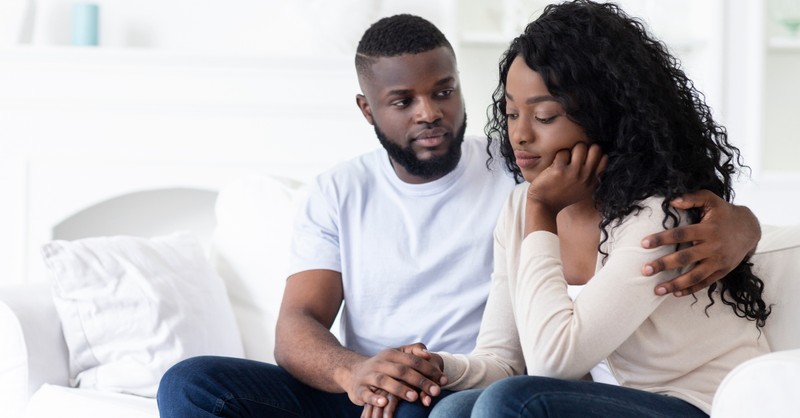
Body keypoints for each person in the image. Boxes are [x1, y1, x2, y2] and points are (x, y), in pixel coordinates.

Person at [157, 12, 763, 418]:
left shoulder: (520, 176)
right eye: (403, 101)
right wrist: (372, 370)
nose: (429, 113)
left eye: (444, 91)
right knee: (192, 383)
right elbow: (297, 327)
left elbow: (550, 361)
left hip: (488, 400)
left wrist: (743, 224)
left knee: (494, 405)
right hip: (400, 387)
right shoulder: (350, 191)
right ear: (367, 110)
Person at [383, 2, 770, 417]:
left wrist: (542, 212)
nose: (520, 134)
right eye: (512, 113)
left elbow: (553, 363)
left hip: (693, 404)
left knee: (513, 402)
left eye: (544, 115)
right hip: (591, 404)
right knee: (447, 410)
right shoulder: (519, 208)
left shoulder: (660, 214)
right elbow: (503, 360)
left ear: (603, 115)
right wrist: (439, 367)